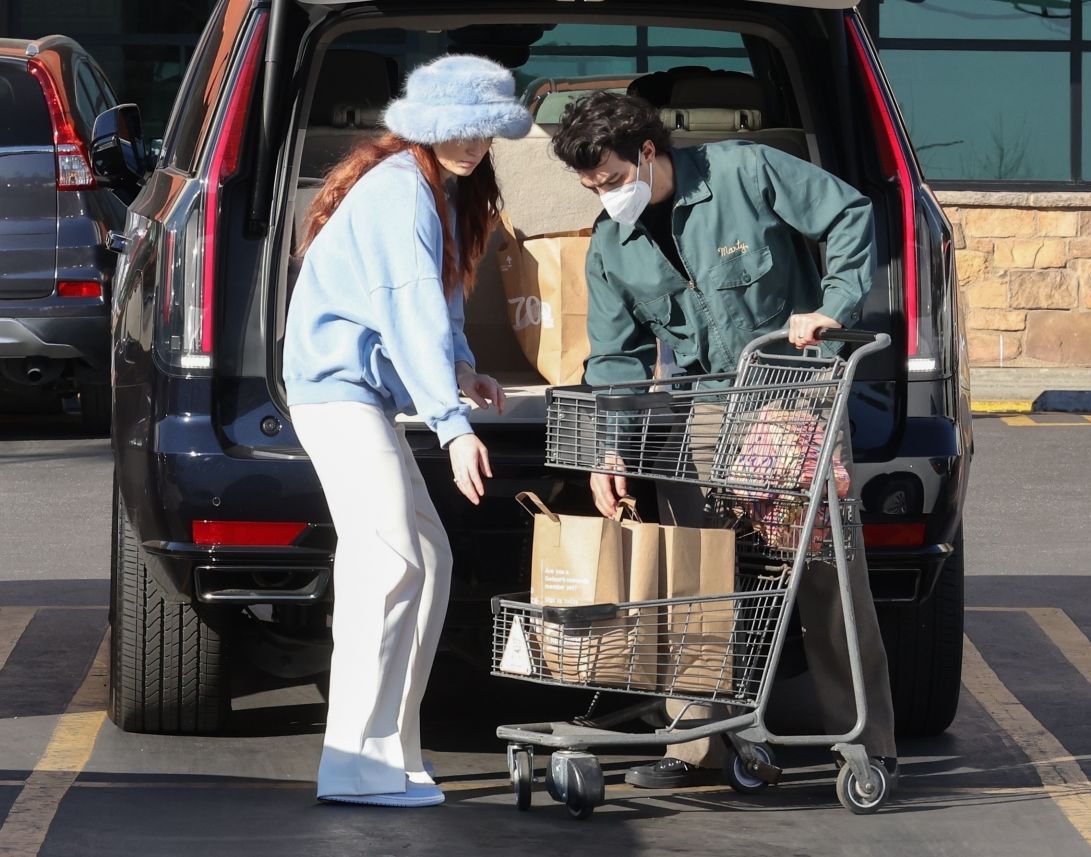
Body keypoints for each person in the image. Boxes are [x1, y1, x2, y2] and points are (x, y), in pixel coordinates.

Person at [550, 91, 897, 790]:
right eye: (591, 186)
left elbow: (852, 213)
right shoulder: (611, 245)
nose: (605, 196)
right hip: (702, 409)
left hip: (793, 396)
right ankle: (695, 747)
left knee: (822, 572)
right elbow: (615, 358)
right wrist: (608, 448)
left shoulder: (746, 172)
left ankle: (866, 743)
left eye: (612, 179)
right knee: (695, 578)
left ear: (648, 152)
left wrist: (833, 305)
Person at [282, 54, 532, 807]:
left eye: (485, 133)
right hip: (337, 394)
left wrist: (461, 369)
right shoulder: (401, 193)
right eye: (457, 130)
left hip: (356, 395)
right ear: (425, 127)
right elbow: (407, 310)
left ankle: (391, 751)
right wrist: (453, 426)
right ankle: (353, 762)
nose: (472, 145)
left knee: (426, 556)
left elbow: (438, 312)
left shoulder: (436, 191)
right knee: (390, 561)